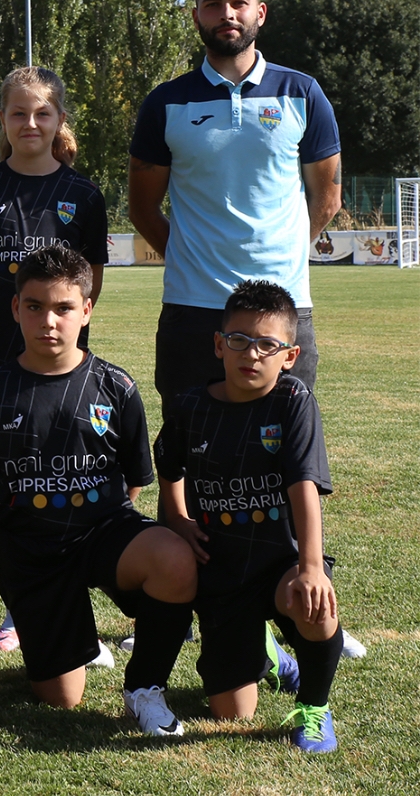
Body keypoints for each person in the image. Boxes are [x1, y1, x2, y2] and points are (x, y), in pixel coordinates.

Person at [127, 0, 362, 655]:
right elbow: (143, 207)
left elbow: (328, 198)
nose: (225, 13)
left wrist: (276, 264)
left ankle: (302, 604)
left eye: (238, 2)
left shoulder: (302, 93)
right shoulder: (165, 103)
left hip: (285, 309)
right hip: (194, 311)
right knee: (201, 460)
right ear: (195, 13)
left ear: (258, 12)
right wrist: (199, 262)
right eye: (212, 2)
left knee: (290, 456)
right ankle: (229, 613)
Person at [0, 246, 196, 736]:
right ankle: (68, 634)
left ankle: (143, 689)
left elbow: (134, 480)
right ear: (15, 309)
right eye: (35, 306)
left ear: (87, 310)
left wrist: (97, 527)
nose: (49, 320)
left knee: (174, 559)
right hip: (31, 553)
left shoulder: (115, 387)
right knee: (62, 701)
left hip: (103, 531)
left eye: (64, 308)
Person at [0, 66, 108, 654]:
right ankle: (18, 609)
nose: (30, 123)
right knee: (10, 491)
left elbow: (88, 291)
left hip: (67, 370)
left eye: (43, 113)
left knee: (71, 484)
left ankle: (75, 609)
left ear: (59, 120)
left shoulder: (84, 195)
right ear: (3, 120)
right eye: (18, 113)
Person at [155, 280, 343, 753]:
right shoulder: (191, 406)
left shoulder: (292, 401)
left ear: (290, 356)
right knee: (231, 711)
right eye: (239, 340)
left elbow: (305, 485)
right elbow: (169, 467)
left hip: (281, 561)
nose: (251, 354)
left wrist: (312, 567)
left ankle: (315, 707)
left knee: (313, 603)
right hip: (223, 575)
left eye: (267, 345)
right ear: (219, 345)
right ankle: (270, 655)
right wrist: (177, 518)